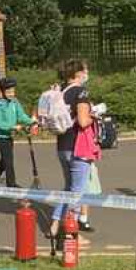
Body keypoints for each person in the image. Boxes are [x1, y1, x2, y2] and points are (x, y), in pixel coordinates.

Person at [49, 59, 96, 240]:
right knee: (77, 191)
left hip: (62, 145)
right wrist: (95, 115)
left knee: (69, 188)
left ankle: (54, 224)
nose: (87, 73)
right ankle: (70, 233)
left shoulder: (59, 91)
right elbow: (83, 122)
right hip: (79, 147)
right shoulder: (80, 92)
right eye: (85, 70)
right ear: (78, 74)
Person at [0, 77, 37, 188]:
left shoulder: (15, 102)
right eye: (8, 91)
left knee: (6, 159)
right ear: (3, 92)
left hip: (9, 135)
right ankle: (11, 184)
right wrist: (13, 127)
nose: (11, 93)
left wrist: (31, 122)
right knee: (8, 160)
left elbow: (21, 116)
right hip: (0, 135)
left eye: (12, 90)